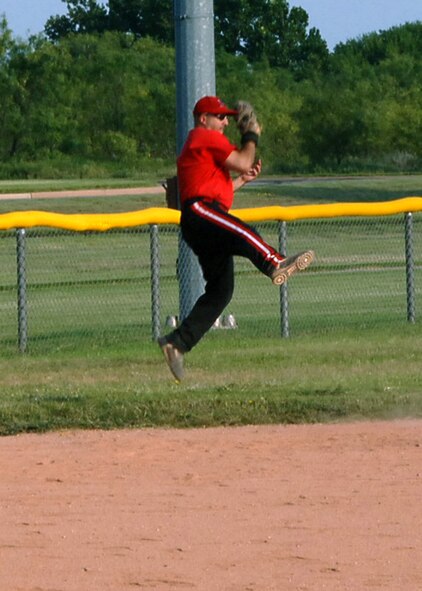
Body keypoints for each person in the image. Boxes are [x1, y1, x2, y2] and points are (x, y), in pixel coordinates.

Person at [158, 95, 314, 381]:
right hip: (201, 211)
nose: (226, 121)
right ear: (203, 118)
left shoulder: (202, 146)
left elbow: (223, 182)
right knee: (244, 232)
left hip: (202, 216)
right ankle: (274, 262)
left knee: (221, 290)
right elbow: (244, 160)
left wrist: (242, 181)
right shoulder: (203, 136)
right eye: (220, 117)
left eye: (227, 117)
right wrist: (251, 135)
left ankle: (177, 343)